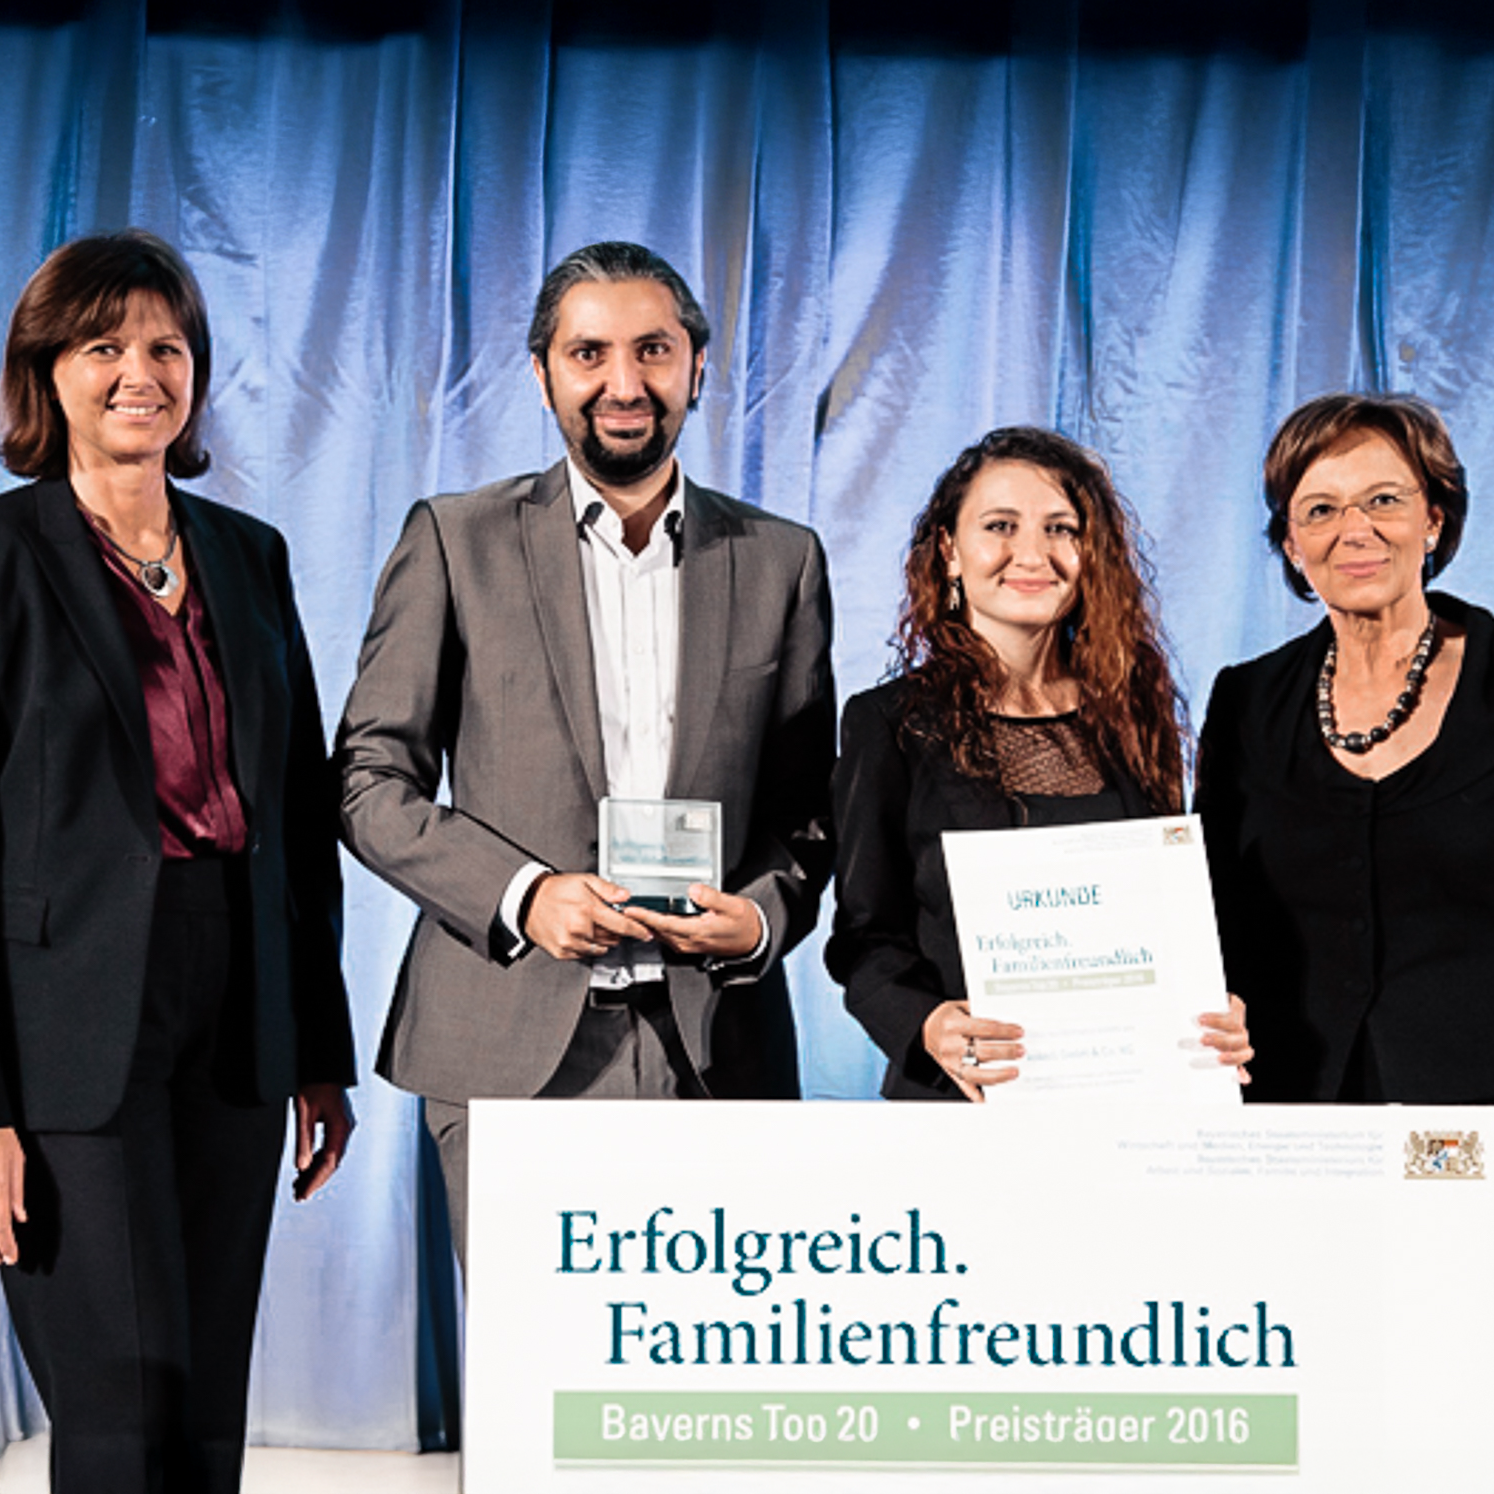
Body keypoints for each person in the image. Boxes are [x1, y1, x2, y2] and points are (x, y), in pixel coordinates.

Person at [337, 241, 834, 1257]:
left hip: (717, 1053)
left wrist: (758, 922)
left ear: (698, 365)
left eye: (653, 350)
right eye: (589, 353)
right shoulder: (455, 540)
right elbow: (370, 781)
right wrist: (523, 896)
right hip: (508, 1050)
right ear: (542, 373)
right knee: (528, 1362)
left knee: (706, 1356)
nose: (624, 383)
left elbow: (809, 811)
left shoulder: (782, 561)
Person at [0, 230, 355, 1493]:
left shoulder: (249, 554)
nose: (140, 373)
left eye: (166, 346)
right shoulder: (6, 558)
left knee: (204, 1400)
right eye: (103, 345)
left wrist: (316, 1048)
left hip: (239, 1007)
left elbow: (299, 817)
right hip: (62, 1025)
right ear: (46, 373)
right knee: (120, 1403)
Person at [827, 427, 1251, 1100]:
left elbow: (1172, 921)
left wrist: (1213, 1007)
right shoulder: (890, 724)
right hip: (966, 1103)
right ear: (949, 551)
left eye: (1061, 529)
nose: (1032, 554)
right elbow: (864, 938)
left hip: (1129, 1105)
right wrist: (929, 1025)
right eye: (1001, 526)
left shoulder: (1135, 716)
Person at [1197, 392, 1489, 1102]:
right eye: (1321, 510)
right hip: (1293, 1114)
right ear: (1291, 545)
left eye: (1384, 500)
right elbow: (1210, 913)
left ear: (1434, 520)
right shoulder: (1245, 702)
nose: (1355, 531)